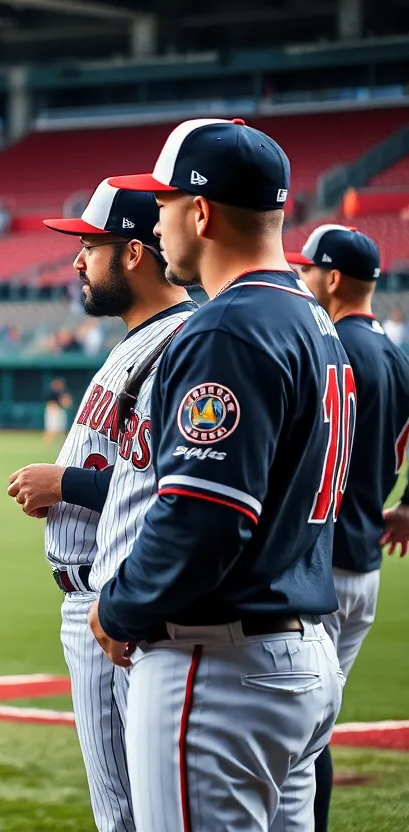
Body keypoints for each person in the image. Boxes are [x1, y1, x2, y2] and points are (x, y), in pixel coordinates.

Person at [91, 117, 349, 832]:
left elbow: (203, 516)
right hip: (298, 651)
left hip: (219, 666)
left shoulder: (230, 325)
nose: (160, 222)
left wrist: (119, 606)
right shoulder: (311, 317)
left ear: (200, 212)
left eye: (166, 205)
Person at [7, 179, 194, 832]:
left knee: (131, 813)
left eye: (91, 244)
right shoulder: (137, 338)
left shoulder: (178, 341)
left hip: (114, 602)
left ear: (135, 255)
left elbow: (171, 486)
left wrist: (64, 485)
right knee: (123, 806)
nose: (78, 260)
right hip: (93, 597)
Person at [288, 224, 409, 831]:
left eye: (307, 270)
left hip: (321, 569)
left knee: (304, 735)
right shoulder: (392, 350)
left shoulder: (329, 345)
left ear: (332, 278)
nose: (301, 279)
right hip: (365, 568)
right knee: (314, 725)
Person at [44, 378, 71, 444]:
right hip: (52, 411)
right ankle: (48, 443)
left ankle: (62, 442)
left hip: (59, 411)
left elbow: (66, 402)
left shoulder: (62, 392)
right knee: (51, 428)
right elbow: (50, 403)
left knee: (61, 428)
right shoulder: (52, 393)